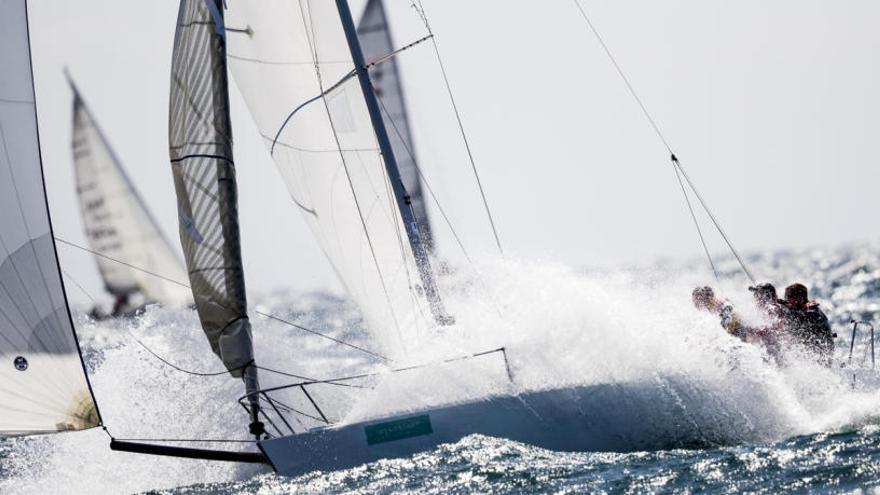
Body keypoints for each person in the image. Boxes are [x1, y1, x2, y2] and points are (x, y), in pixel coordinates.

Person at [781, 283, 834, 362]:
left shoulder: (811, 310)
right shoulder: (802, 309)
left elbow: (800, 320)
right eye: (786, 297)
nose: (787, 300)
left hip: (820, 357)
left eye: (789, 297)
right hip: (813, 355)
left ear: (799, 297)